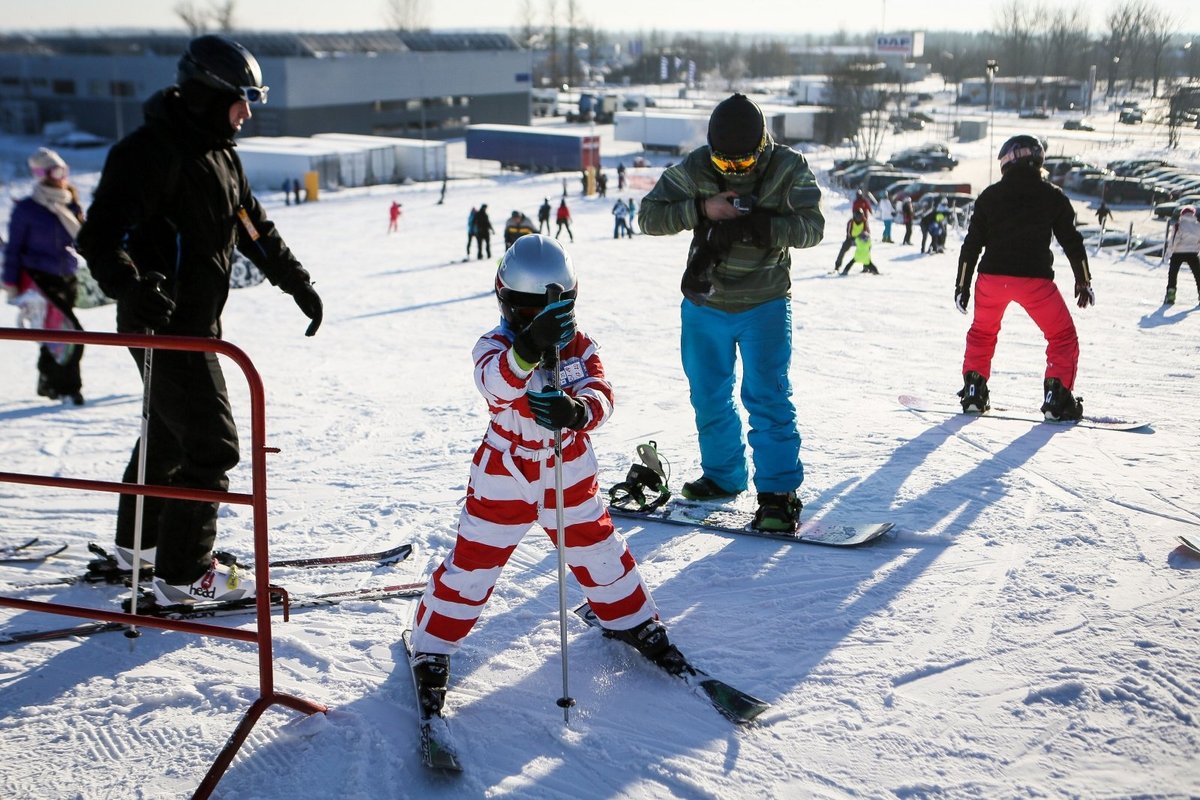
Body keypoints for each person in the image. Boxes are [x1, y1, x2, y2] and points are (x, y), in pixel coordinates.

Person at [76, 34, 324, 604]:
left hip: (196, 324)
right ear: (210, 93)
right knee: (212, 447)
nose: (247, 113)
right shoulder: (149, 152)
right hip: (162, 325)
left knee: (167, 436)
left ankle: (139, 548)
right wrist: (130, 286)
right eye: (242, 100)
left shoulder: (221, 153)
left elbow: (254, 229)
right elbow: (99, 236)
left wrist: (297, 283)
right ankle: (187, 575)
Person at [406, 234, 681, 715]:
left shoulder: (580, 346)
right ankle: (432, 643)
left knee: (598, 549)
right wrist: (529, 347)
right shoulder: (493, 346)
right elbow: (495, 385)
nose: (540, 323)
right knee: (474, 564)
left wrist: (577, 412)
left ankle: (630, 618)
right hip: (505, 472)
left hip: (568, 466)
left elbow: (602, 393)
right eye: (527, 314)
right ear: (506, 304)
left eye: (552, 312)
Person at [638, 93, 824, 532]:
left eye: (745, 164)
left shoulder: (788, 167)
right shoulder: (697, 167)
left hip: (765, 303)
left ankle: (779, 494)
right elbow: (648, 216)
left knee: (767, 396)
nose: (735, 173)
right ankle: (723, 476)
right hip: (705, 304)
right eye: (727, 165)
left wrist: (762, 227)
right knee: (708, 395)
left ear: (762, 147)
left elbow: (813, 228)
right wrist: (703, 209)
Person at [954, 134, 1093, 421]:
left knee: (982, 333)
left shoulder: (990, 196)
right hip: (1035, 282)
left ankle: (973, 392)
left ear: (1007, 162)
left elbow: (971, 245)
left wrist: (962, 286)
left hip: (991, 280)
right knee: (1062, 337)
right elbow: (1072, 241)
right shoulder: (1052, 195)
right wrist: (1083, 280)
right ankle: (1057, 398)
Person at [2, 147, 87, 405]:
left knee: (54, 335)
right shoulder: (27, 209)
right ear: (42, 174)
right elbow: (13, 249)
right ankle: (68, 390)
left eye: (63, 170)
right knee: (72, 336)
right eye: (54, 171)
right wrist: (11, 283)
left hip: (67, 278)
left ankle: (48, 383)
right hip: (39, 280)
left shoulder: (69, 203)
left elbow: (82, 240)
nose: (61, 176)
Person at [1163, 205, 1200, 305]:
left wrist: (1168, 254)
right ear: (1193, 214)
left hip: (1177, 253)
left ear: (1182, 214)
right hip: (1193, 253)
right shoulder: (1198, 226)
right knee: (1198, 275)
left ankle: (1171, 295)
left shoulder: (1178, 225)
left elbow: (1174, 241)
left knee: (1173, 275)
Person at [834, 208, 869, 272]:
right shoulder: (851, 221)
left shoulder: (864, 221)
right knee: (843, 250)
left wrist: (864, 239)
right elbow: (848, 232)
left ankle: (866, 267)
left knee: (866, 250)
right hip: (851, 239)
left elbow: (866, 231)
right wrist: (850, 239)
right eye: (857, 216)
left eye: (860, 216)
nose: (859, 218)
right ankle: (837, 266)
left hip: (860, 239)